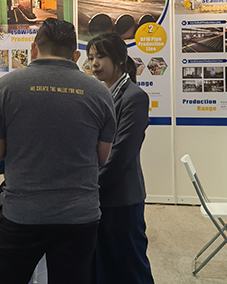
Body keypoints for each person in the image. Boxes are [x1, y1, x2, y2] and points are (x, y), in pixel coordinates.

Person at [0, 18, 116, 284]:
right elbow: (103, 157)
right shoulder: (100, 93)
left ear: (34, 49)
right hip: (79, 215)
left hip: (22, 213)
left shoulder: (6, 87)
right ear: (76, 56)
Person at [87, 32, 154, 284]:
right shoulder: (100, 93)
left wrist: (90, 186)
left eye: (101, 57)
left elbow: (121, 153)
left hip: (121, 198)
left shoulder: (134, 97)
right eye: (91, 57)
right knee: (102, 264)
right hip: (99, 195)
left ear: (120, 59)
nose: (94, 64)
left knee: (130, 266)